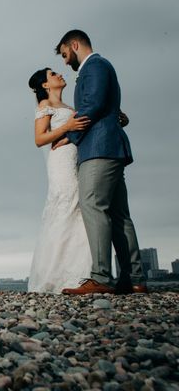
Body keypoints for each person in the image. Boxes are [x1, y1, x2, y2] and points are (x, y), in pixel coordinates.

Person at [54, 30, 146, 295]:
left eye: (64, 54)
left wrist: (68, 136)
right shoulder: (102, 67)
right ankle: (135, 279)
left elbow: (92, 105)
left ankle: (102, 277)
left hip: (98, 148)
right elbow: (105, 105)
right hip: (111, 148)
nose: (64, 61)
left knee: (92, 205)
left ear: (74, 45)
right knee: (119, 215)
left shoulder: (94, 66)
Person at [27, 68, 93, 293]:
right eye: (53, 74)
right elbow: (39, 139)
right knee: (65, 205)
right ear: (45, 85)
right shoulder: (45, 106)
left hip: (76, 159)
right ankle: (55, 276)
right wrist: (67, 127)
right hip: (60, 162)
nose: (59, 75)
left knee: (80, 210)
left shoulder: (69, 107)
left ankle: (82, 273)